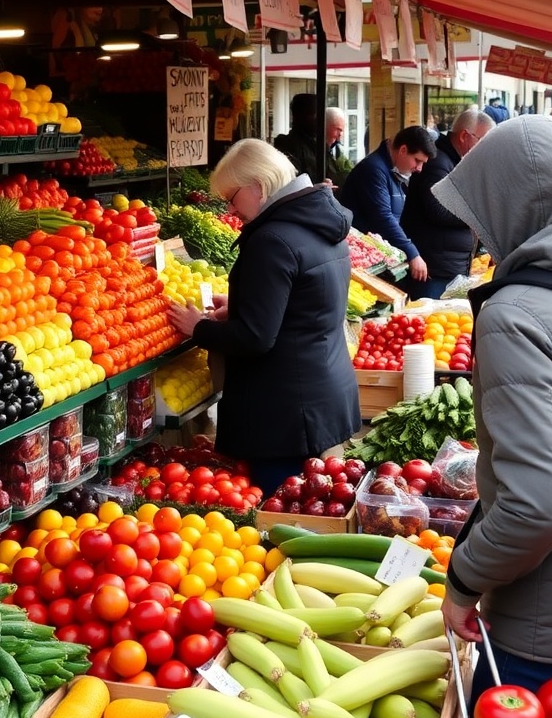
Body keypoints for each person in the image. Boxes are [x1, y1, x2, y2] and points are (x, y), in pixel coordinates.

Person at [436, 116, 552, 699]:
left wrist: (462, 581)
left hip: (545, 629)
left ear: (514, 206)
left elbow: (541, 504)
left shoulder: (518, 314)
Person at [165, 139, 360, 493]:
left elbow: (256, 338)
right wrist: (242, 305)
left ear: (258, 186)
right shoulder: (322, 224)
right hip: (321, 393)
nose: (231, 208)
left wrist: (201, 329)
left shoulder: (271, 239)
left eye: (232, 196)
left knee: (279, 516)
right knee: (311, 507)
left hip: (284, 413)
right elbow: (306, 304)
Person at [399, 108, 493, 300]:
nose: (485, 148)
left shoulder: (453, 161)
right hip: (436, 269)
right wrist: (476, 215)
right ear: (465, 136)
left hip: (446, 264)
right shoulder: (438, 163)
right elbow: (438, 210)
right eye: (483, 141)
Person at [339, 125, 437, 285]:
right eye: (417, 161)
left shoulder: (393, 172)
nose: (419, 168)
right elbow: (383, 217)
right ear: (403, 150)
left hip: (381, 259)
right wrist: (412, 253)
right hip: (366, 263)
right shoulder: (373, 170)